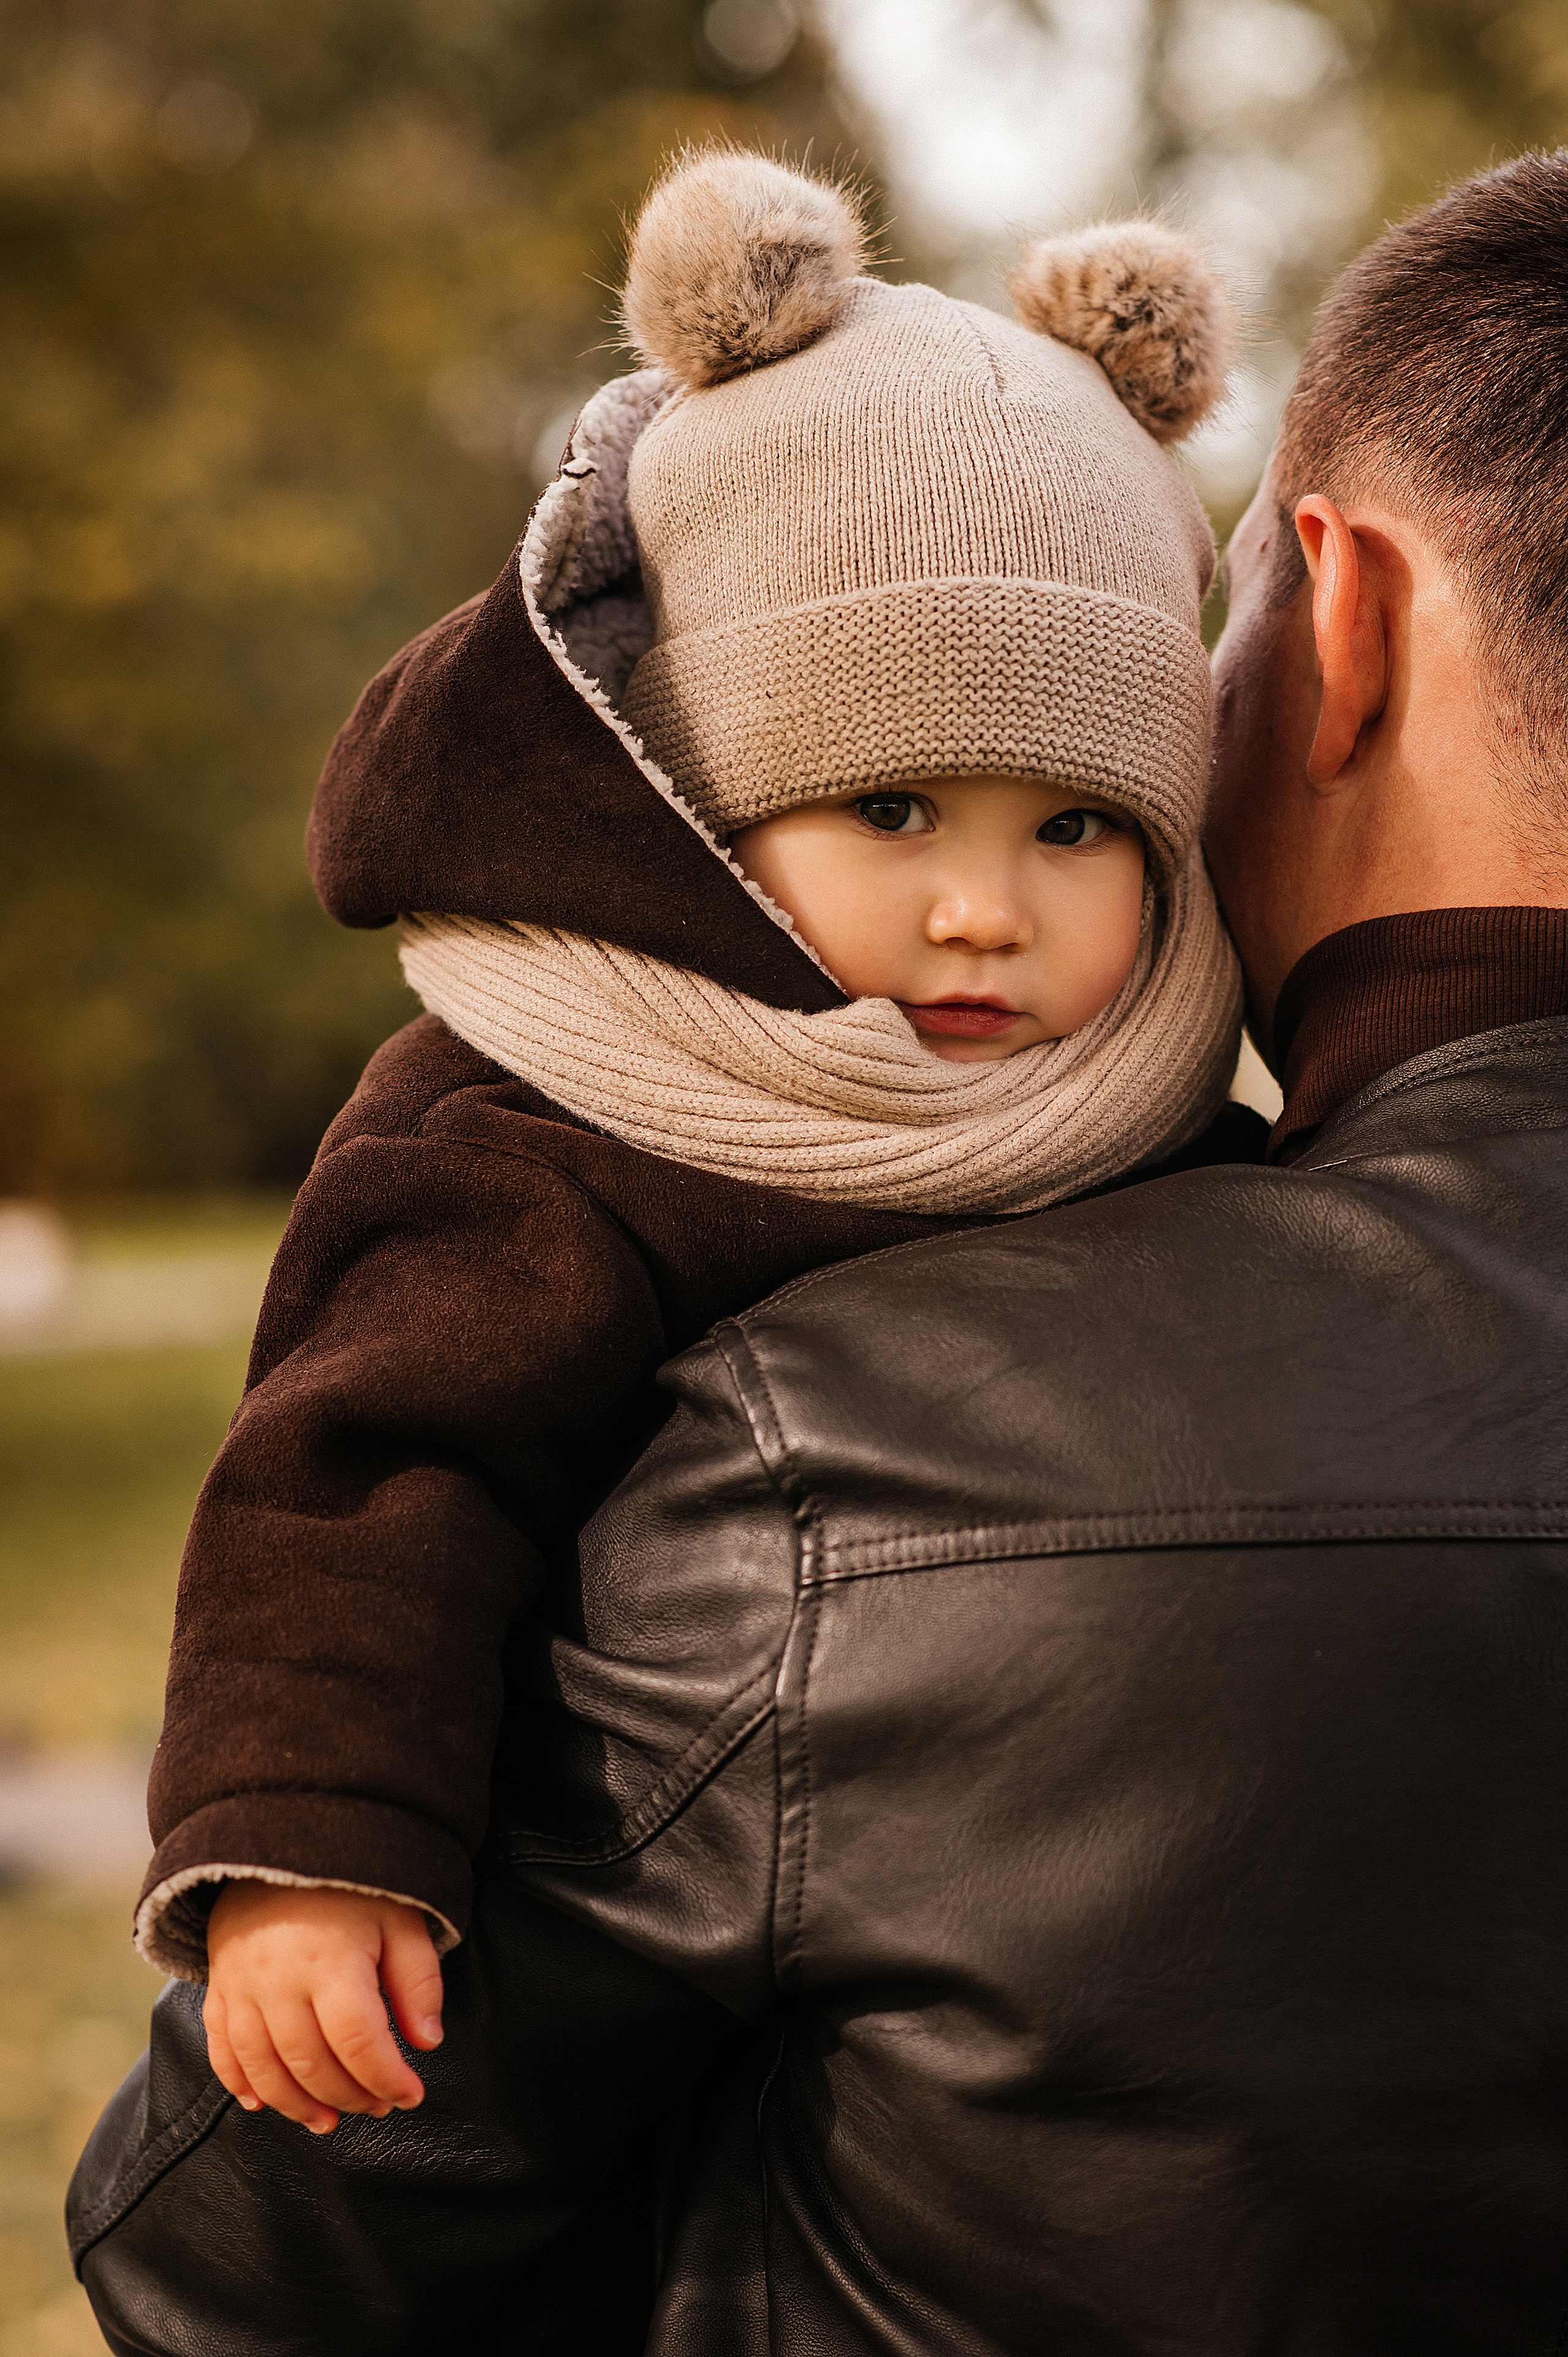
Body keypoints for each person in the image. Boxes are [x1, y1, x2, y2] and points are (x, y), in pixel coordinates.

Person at [68, 150, 1261, 2350]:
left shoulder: (1165, 1086)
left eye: (1075, 825)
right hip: (618, 1864)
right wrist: (313, 1849)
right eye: (894, 812)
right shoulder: (547, 1110)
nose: (985, 908)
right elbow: (359, 1473)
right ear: (707, 800)